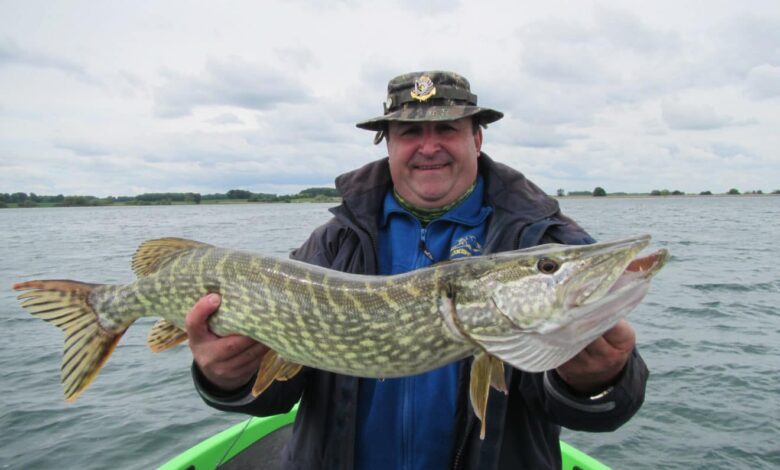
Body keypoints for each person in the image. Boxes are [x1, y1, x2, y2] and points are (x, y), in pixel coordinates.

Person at [185, 71, 649, 469]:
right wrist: (225, 377)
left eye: (447, 128)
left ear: (477, 138)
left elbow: (603, 412)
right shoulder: (333, 242)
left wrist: (598, 380)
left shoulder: (541, 240)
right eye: (409, 132)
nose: (429, 147)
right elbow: (277, 393)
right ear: (388, 144)